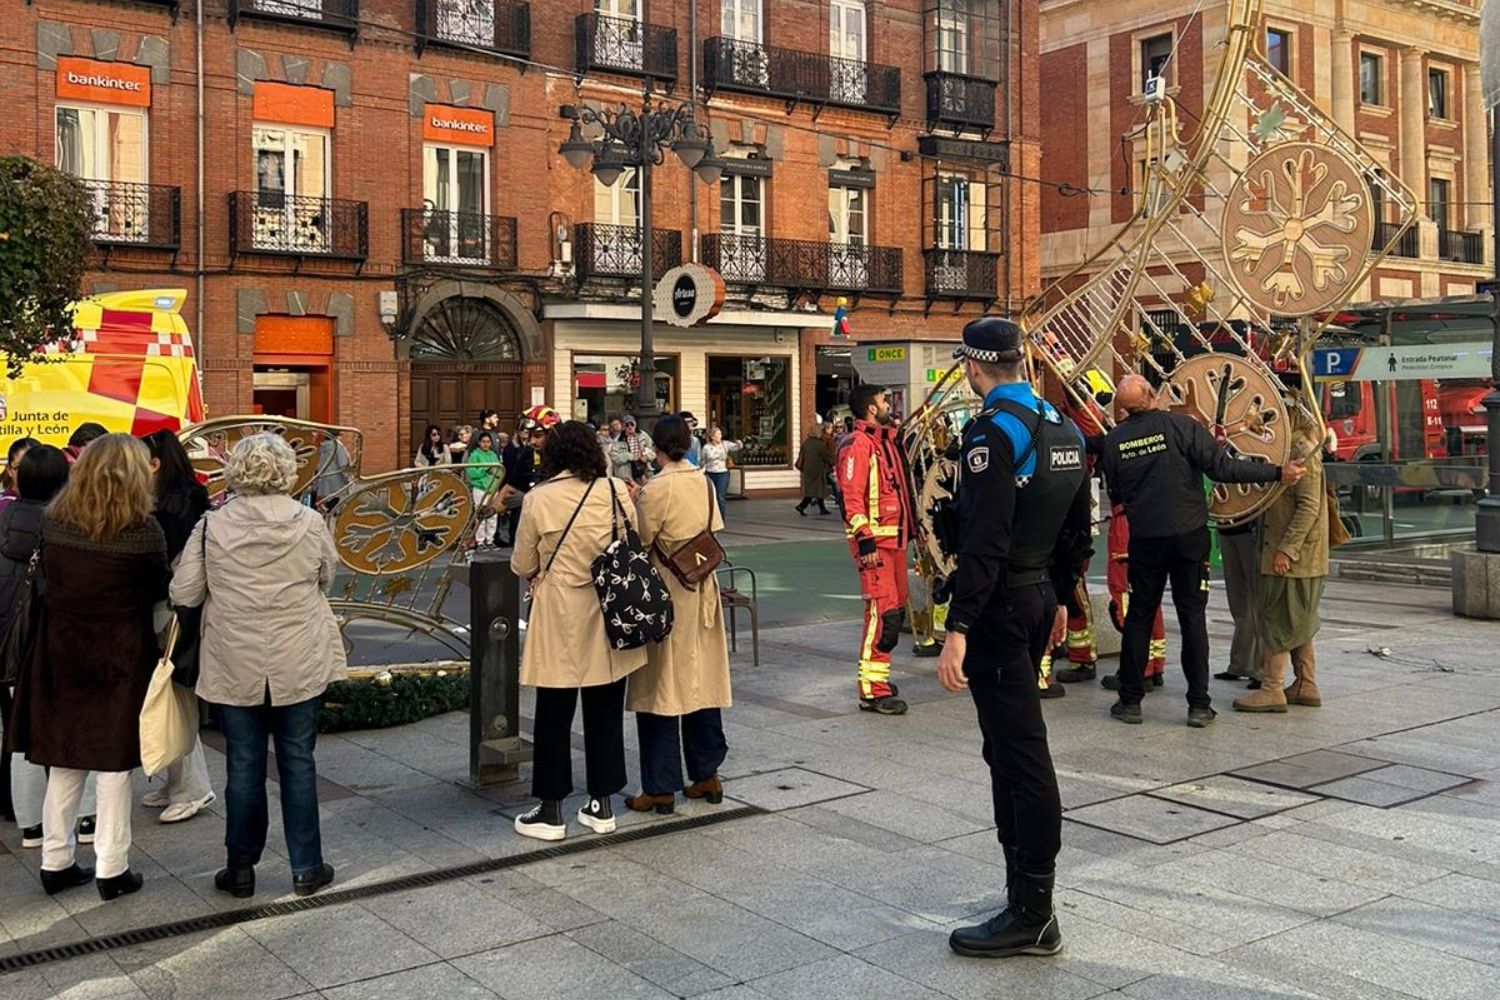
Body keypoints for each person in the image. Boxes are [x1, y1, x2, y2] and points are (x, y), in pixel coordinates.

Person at [935, 318, 1091, 959]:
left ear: (975, 369)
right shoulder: (1063, 428)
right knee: (1006, 748)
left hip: (999, 608)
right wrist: (1062, 596)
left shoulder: (993, 433)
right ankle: (1021, 894)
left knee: (1020, 755)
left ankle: (1034, 911)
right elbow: (1079, 528)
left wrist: (958, 627)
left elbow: (984, 539)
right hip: (1036, 597)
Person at [170, 432, 343, 899]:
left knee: (243, 764)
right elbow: (328, 575)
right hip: (298, 655)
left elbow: (183, 593)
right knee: (298, 761)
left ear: (237, 471)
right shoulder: (310, 522)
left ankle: (241, 866)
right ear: (287, 470)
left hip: (233, 657)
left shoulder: (211, 526)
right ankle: (306, 867)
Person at [1098, 374, 1304, 728]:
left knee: (1139, 618)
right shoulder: (1180, 426)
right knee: (1192, 619)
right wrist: (1275, 473)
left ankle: (1130, 701)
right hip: (1188, 536)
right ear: (1152, 394)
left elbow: (1115, 493)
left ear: (1123, 408)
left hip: (1145, 538)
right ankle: (1198, 705)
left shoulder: (1114, 440)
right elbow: (1222, 468)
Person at [15, 434, 168, 900]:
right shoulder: (144, 531)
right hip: (120, 651)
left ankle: (56, 861)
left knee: (64, 755)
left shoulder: (55, 522)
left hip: (60, 647)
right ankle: (111, 866)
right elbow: (159, 594)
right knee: (114, 763)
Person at [510, 421, 646, 841]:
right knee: (604, 707)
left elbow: (522, 563)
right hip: (608, 611)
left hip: (559, 615)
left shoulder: (538, 499)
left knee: (553, 710)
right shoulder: (615, 490)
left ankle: (551, 810)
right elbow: (631, 541)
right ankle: (601, 803)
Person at [624, 416, 731, 814]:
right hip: (703, 586)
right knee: (703, 683)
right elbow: (713, 526)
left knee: (662, 687)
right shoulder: (702, 481)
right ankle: (707, 774)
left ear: (658, 447)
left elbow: (641, 539)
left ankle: (661, 785)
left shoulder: (657, 488)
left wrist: (636, 500)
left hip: (667, 592)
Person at [1, 447, 96, 852]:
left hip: (12, 642)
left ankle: (32, 826)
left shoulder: (3, 519)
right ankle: (87, 818)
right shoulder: (72, 526)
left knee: (21, 732)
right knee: (77, 730)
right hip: (61, 640)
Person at [142, 430, 216, 824]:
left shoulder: (169, 504)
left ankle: (193, 787)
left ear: (155, 463)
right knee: (170, 694)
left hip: (171, 607)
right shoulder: (188, 492)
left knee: (174, 695)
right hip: (178, 606)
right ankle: (177, 783)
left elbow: (169, 561)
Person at [1234, 412, 1328, 713]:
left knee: (1277, 618)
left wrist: (1287, 550)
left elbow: (1309, 505)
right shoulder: (1291, 446)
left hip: (1294, 555)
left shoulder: (1300, 450)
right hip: (1300, 555)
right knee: (1297, 620)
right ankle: (1305, 683)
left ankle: (1272, 687)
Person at [837, 383, 916, 715]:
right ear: (871, 408)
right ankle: (872, 689)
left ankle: (878, 677)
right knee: (881, 615)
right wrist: (865, 538)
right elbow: (850, 496)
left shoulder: (883, 442)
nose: (889, 406)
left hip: (893, 541)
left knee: (894, 611)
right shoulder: (858, 445)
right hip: (877, 544)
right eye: (884, 401)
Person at [1215, 515, 1266, 688]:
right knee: (1238, 603)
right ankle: (1240, 664)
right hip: (1227, 529)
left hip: (1251, 529)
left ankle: (1261, 670)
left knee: (1257, 603)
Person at [499, 406, 561, 547]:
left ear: (551, 435)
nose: (532, 442)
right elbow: (511, 485)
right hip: (532, 523)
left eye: (538, 436)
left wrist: (527, 498)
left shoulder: (564, 457)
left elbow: (562, 494)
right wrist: (490, 510)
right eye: (530, 436)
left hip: (557, 526)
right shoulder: (528, 454)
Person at [465, 430, 503, 548]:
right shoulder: (474, 456)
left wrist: (495, 474)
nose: (486, 444)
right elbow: (472, 473)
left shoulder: (493, 455)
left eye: (488, 442)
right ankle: (480, 541)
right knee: (480, 515)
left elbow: (499, 471)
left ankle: (489, 540)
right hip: (480, 488)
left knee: (492, 515)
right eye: (483, 442)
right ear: (479, 443)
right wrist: (485, 469)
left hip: (493, 488)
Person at [794, 423, 836, 516]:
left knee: (815, 489)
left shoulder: (807, 442)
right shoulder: (819, 444)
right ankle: (802, 506)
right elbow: (826, 455)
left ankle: (822, 508)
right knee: (816, 489)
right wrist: (833, 462)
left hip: (808, 468)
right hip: (817, 469)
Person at [700, 427, 741, 514]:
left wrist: (739, 442)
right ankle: (712, 517)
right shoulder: (706, 448)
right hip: (710, 473)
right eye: (718, 434)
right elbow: (702, 461)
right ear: (712, 437)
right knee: (711, 496)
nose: (720, 436)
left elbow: (737, 447)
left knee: (720, 496)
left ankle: (721, 518)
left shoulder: (724, 444)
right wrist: (702, 470)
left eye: (720, 434)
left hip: (722, 473)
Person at [314, 431, 352, 509]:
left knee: (326, 497)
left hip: (323, 476)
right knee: (335, 497)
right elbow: (343, 462)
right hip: (336, 476)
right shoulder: (338, 446)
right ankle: (332, 513)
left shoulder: (322, 446)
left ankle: (327, 511)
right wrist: (347, 476)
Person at [611, 415, 655, 484]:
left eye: (632, 424)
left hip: (645, 472)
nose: (630, 427)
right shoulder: (617, 441)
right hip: (626, 475)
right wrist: (629, 456)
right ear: (623, 427)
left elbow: (653, 451)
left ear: (635, 424)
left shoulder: (644, 436)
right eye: (627, 425)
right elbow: (614, 458)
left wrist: (646, 457)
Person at [0, 437, 39, 512]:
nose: (28, 472)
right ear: (9, 470)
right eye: (19, 467)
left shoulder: (54, 505)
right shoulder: (4, 507)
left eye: (35, 466)